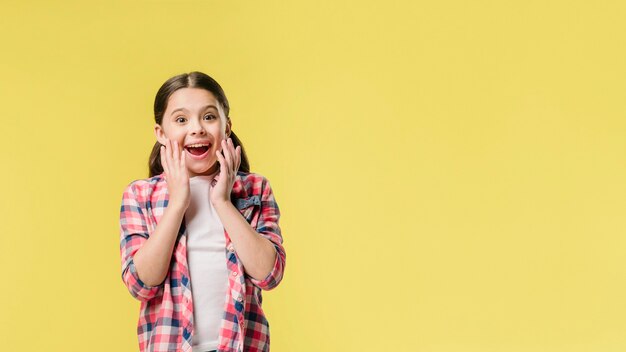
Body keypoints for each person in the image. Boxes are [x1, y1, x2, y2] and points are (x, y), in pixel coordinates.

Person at [118, 71, 286, 352]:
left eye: (209, 117)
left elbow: (269, 274)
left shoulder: (255, 189)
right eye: (181, 120)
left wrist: (222, 202)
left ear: (227, 125)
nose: (197, 128)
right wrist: (177, 203)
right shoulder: (141, 195)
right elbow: (141, 285)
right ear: (161, 133)